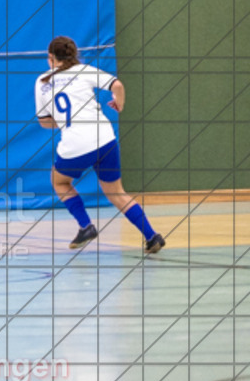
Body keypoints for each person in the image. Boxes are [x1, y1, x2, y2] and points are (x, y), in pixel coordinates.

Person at [35, 35, 165, 254]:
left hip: (75, 144)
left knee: (59, 182)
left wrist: (66, 120)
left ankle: (86, 226)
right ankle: (152, 236)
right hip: (104, 138)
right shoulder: (84, 70)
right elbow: (118, 85)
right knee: (116, 193)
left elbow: (44, 122)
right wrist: (119, 103)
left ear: (50, 57)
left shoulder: (42, 82)